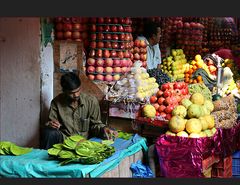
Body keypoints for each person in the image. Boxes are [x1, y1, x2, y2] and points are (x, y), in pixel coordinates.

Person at [41, 72, 118, 150]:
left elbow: (95, 124)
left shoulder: (90, 101)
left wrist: (103, 128)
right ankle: (45, 160)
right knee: (49, 132)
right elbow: (51, 123)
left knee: (106, 133)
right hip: (65, 140)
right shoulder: (56, 102)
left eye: (78, 91)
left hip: (83, 141)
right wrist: (51, 124)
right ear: (65, 92)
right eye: (72, 93)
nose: (76, 95)